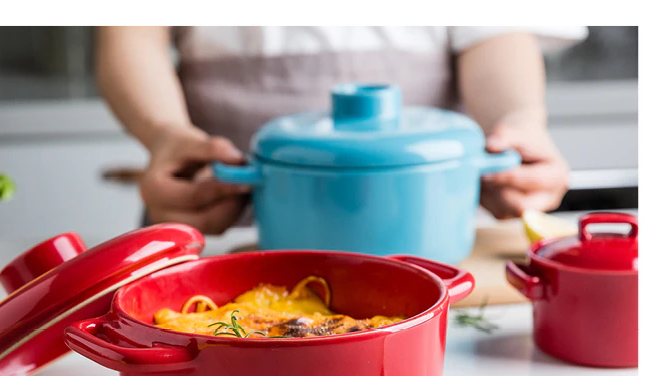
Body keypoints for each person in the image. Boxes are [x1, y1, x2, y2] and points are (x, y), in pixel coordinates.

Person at [96, 26, 587, 234]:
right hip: (217, 212)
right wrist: (164, 133)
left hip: (432, 227)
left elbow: (496, 29)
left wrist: (519, 122)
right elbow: (130, 30)